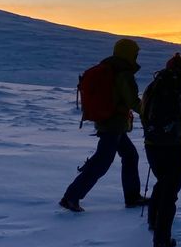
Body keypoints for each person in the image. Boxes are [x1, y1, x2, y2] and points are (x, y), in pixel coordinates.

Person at [59, 38, 150, 212]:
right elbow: (132, 100)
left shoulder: (110, 67)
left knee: (130, 156)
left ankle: (132, 197)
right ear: (128, 54)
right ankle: (71, 197)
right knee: (102, 162)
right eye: (135, 53)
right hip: (113, 124)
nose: (137, 57)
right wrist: (150, 112)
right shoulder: (123, 73)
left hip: (109, 122)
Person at [141, 52, 181, 247]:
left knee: (163, 182)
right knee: (170, 192)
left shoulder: (153, 87)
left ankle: (153, 221)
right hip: (176, 147)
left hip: (152, 144)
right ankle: (162, 239)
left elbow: (143, 113)